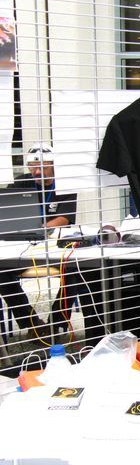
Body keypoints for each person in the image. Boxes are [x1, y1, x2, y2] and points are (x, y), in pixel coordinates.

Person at [0, 143, 77, 340]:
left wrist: (39, 228)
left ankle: (56, 323)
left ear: (53, 165)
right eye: (32, 167)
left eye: (42, 166)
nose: (36, 171)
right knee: (1, 273)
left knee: (76, 272)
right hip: (23, 248)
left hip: (54, 249)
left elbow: (64, 218)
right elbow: (7, 211)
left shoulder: (65, 184)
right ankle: (32, 324)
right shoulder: (21, 183)